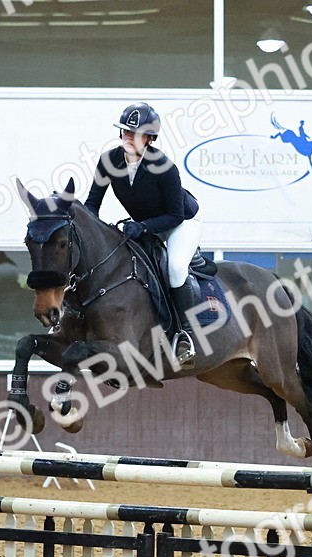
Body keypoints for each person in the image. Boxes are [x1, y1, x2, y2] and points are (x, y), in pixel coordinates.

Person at [84, 102, 203, 369]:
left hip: (181, 223)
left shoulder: (164, 167)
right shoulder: (109, 162)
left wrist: (144, 227)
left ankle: (184, 335)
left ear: (149, 138)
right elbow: (92, 204)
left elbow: (174, 215)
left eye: (135, 133)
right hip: (145, 224)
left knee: (175, 267)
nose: (129, 137)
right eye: (125, 131)